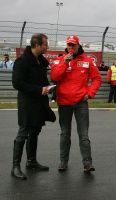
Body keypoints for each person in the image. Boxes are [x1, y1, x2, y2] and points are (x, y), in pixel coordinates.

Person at [51, 35, 102, 173]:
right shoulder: (60, 60)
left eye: (74, 45)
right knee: (65, 134)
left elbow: (97, 78)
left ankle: (87, 163)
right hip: (64, 103)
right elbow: (54, 77)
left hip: (81, 103)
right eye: (69, 45)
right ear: (66, 46)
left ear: (79, 46)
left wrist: (90, 93)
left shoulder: (87, 61)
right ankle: (63, 162)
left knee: (83, 135)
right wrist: (64, 63)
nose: (71, 47)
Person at [11, 33, 56, 180]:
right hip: (27, 103)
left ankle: (31, 161)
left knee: (35, 131)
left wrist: (48, 88)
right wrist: (38, 90)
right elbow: (17, 83)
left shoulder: (41, 61)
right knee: (23, 132)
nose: (47, 47)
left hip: (39, 102)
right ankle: (15, 166)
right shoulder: (22, 61)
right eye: (45, 44)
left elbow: (42, 80)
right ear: (37, 45)